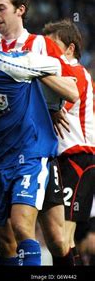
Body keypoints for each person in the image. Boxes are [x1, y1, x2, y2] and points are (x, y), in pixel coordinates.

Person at [0, 14, 78, 266]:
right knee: (4, 235)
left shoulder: (15, 64)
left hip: (30, 154)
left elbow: (55, 70)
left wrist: (52, 104)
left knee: (25, 226)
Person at [42, 19, 95, 264]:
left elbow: (62, 103)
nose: (48, 51)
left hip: (78, 159)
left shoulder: (75, 72)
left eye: (53, 46)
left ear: (70, 49)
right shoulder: (66, 73)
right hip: (64, 160)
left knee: (63, 235)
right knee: (64, 240)